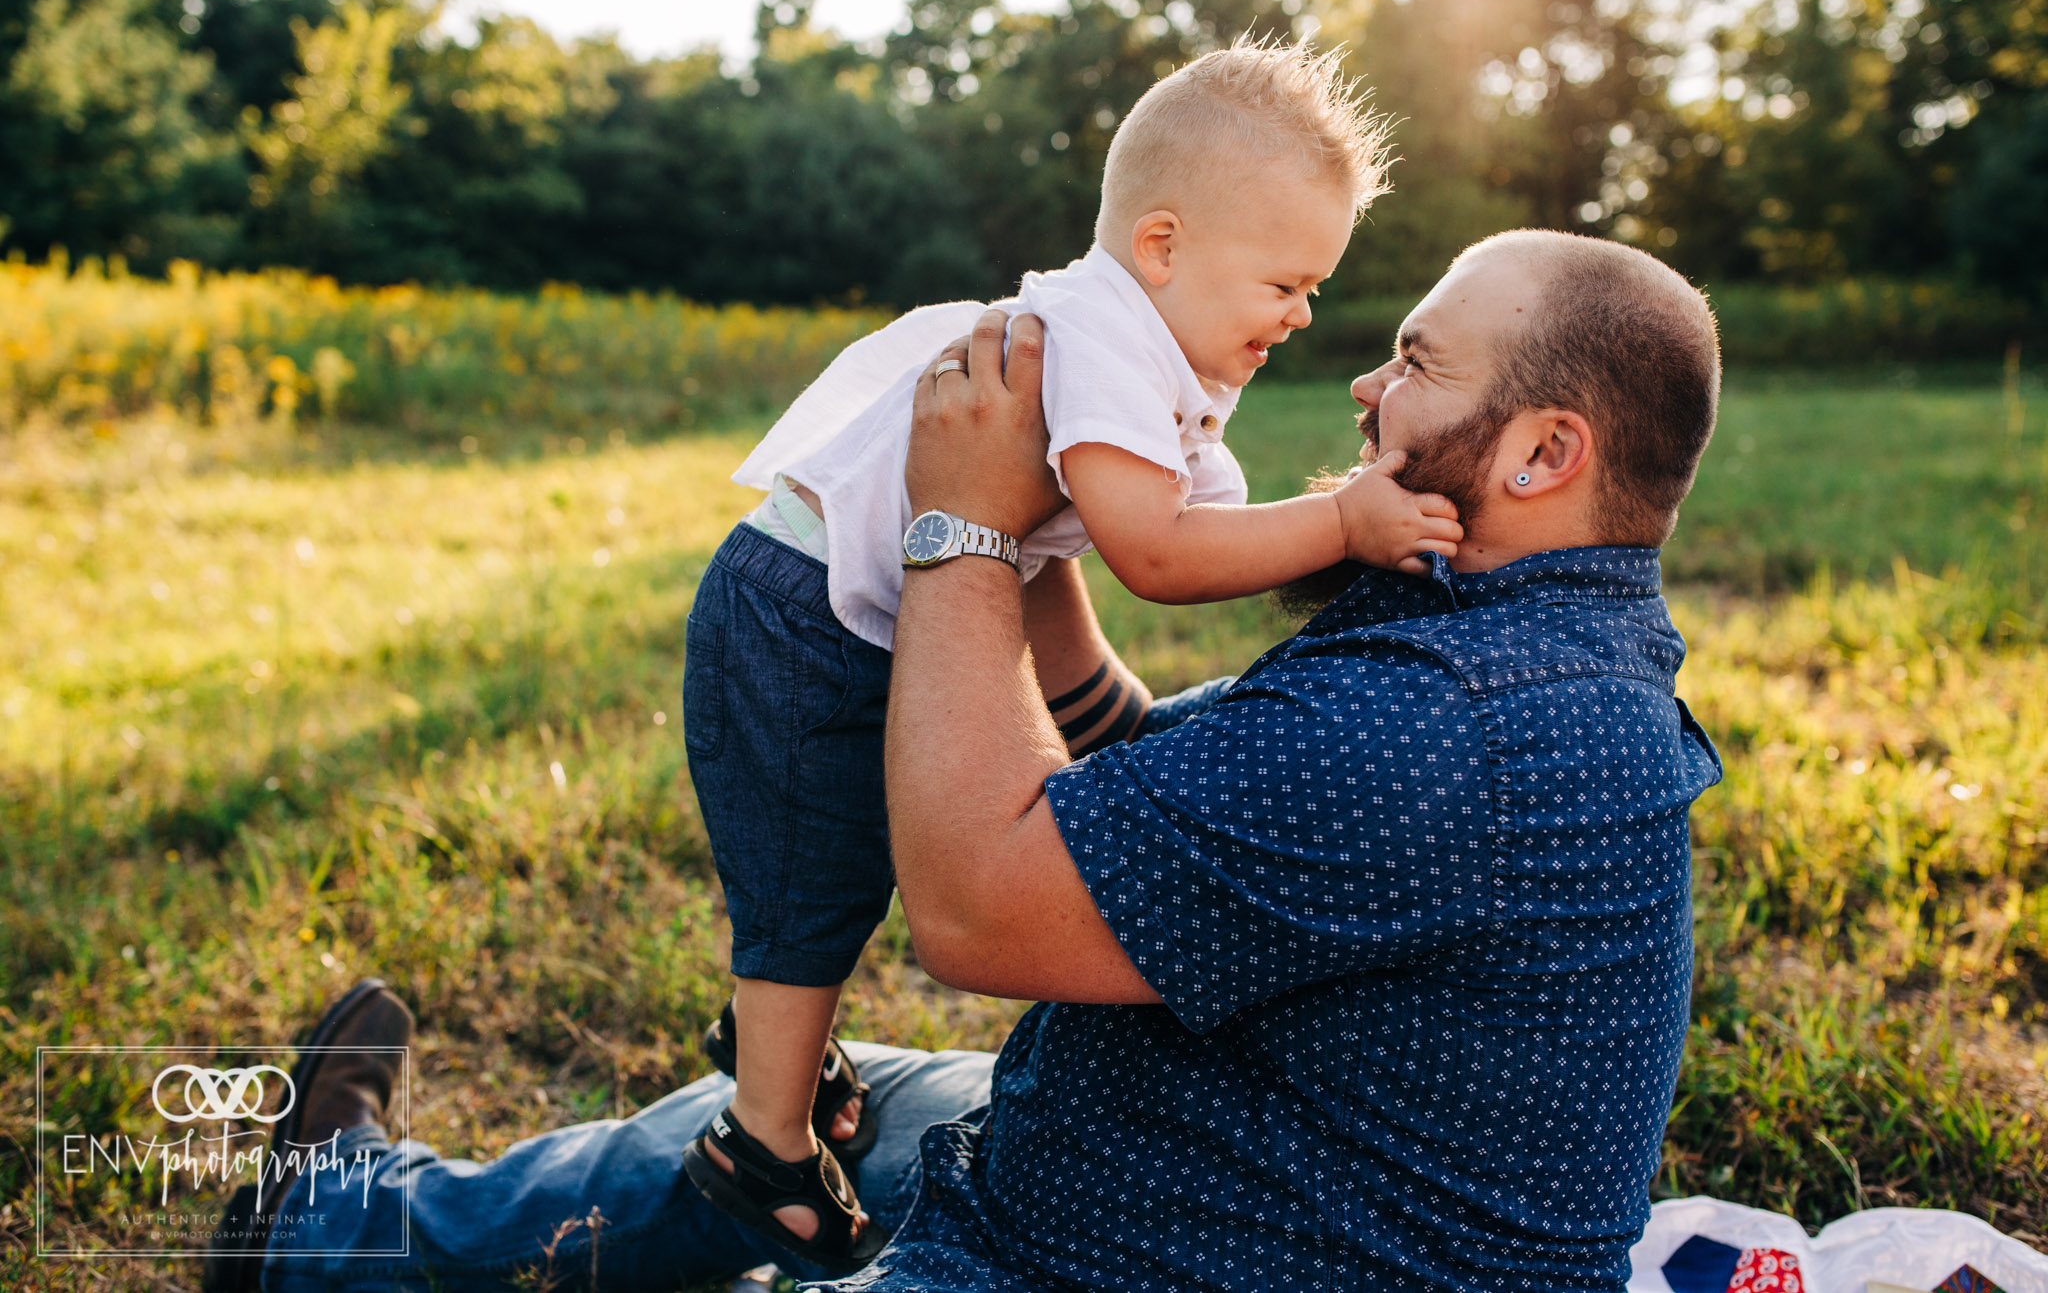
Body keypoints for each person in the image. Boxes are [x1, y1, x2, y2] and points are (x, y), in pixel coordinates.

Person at [208, 227, 1724, 1293]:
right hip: (1167, 1163)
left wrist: (964, 529)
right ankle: (332, 1230)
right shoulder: (1525, 654)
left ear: (1541, 453)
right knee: (787, 1111)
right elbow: (1145, 770)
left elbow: (979, 905)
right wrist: (1057, 535)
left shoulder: (1442, 728)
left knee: (817, 1118)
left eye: (1415, 362)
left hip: (1139, 1258)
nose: (1366, 392)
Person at [682, 37, 1460, 1270]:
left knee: (838, 862)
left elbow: (1076, 553)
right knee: (811, 876)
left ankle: (780, 1050)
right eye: (1284, 283)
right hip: (797, 613)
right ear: (1162, 246)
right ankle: (761, 1139)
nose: (1304, 316)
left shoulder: (1149, 346)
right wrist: (1342, 518)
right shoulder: (1097, 340)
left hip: (828, 602)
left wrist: (1112, 714)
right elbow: (1153, 550)